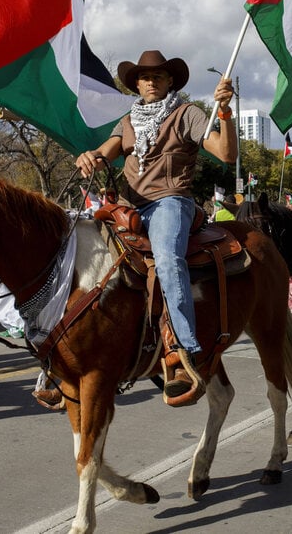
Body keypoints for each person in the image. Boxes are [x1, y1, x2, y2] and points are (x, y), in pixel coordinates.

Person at [75, 49, 236, 402]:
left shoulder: (187, 113)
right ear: (136, 84)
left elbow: (226, 154)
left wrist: (223, 111)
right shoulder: (129, 121)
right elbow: (107, 152)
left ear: (170, 81)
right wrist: (91, 157)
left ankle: (183, 350)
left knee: (166, 260)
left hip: (170, 202)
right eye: (144, 77)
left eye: (158, 76)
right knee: (82, 254)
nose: (150, 82)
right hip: (129, 207)